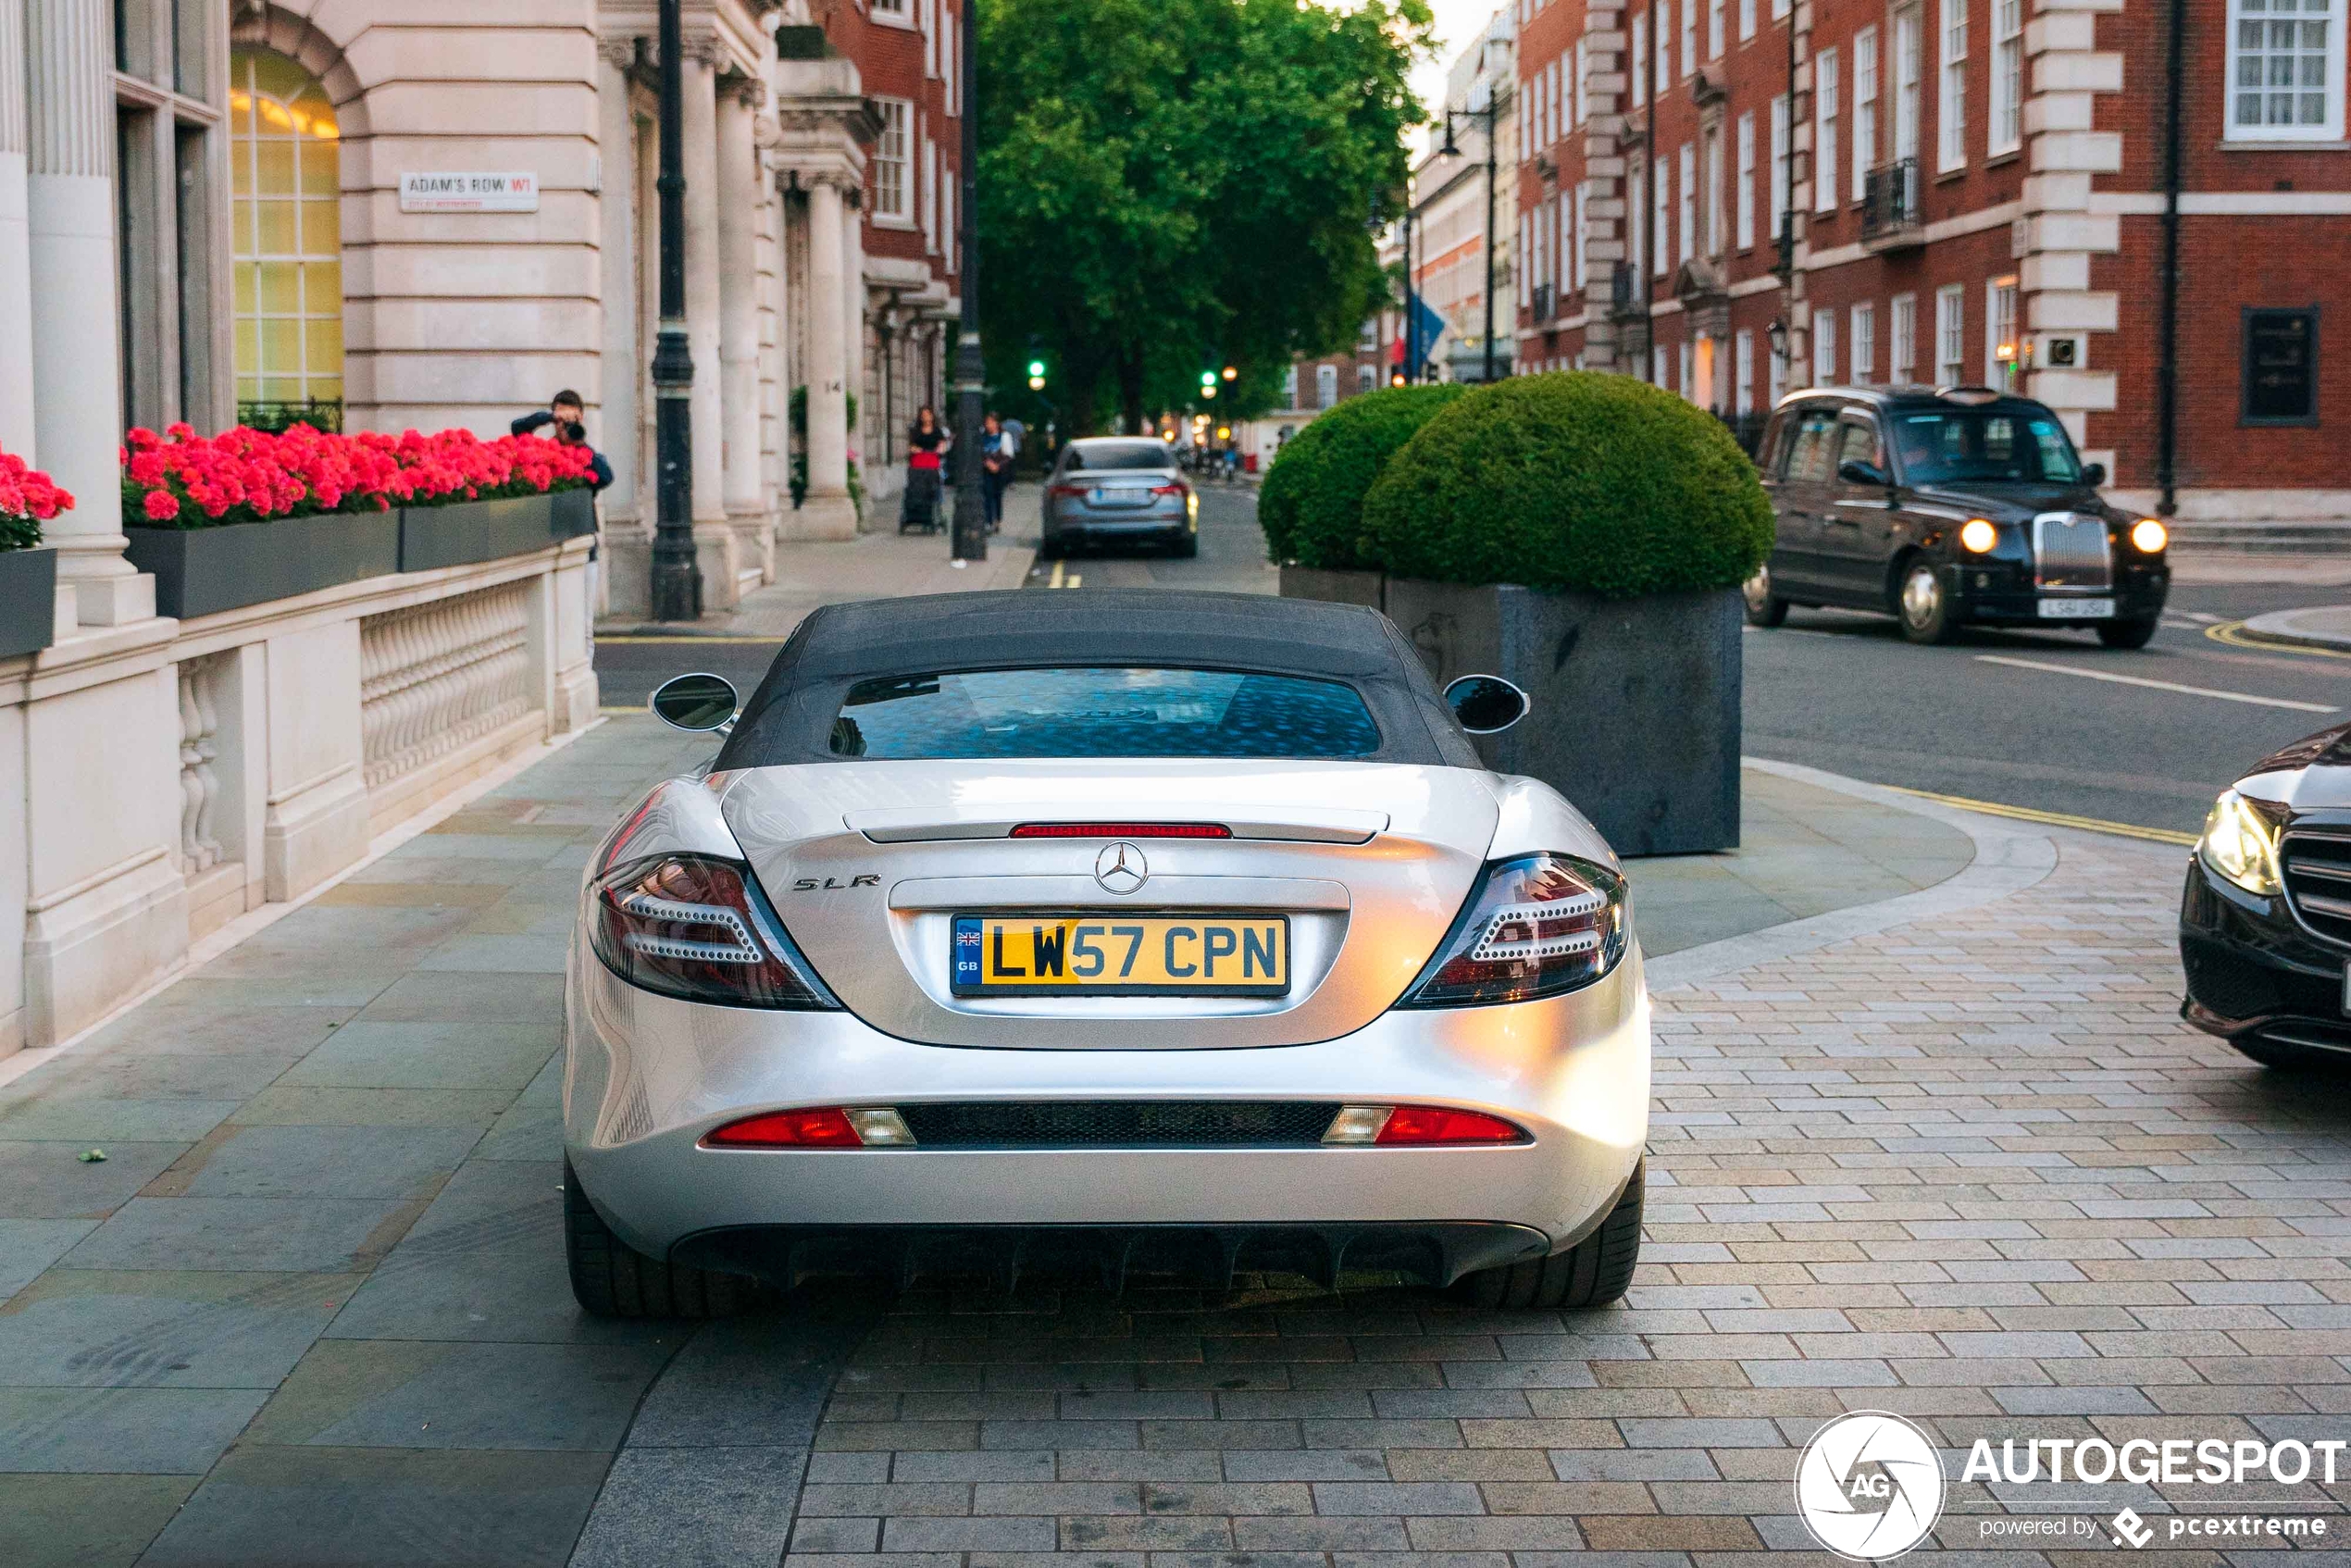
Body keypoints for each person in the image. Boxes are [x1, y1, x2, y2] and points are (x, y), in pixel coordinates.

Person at [901, 406, 947, 533]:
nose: (926, 417)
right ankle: (913, 513)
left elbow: (942, 445)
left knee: (934, 487)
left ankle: (934, 513)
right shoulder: (916, 431)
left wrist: (940, 450)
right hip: (918, 462)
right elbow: (911, 446)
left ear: (932, 416)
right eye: (923, 415)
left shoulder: (937, 431)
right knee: (915, 487)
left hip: (932, 462)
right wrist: (915, 449)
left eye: (928, 414)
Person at [981, 411, 1017, 533]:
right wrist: (987, 462)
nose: (989, 425)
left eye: (991, 422)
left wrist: (998, 465)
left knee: (997, 495)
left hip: (1000, 470)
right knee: (987, 494)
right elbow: (980, 453)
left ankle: (997, 520)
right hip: (986, 469)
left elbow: (1009, 455)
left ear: (997, 423)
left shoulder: (1004, 436)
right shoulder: (983, 436)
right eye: (987, 423)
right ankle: (988, 521)